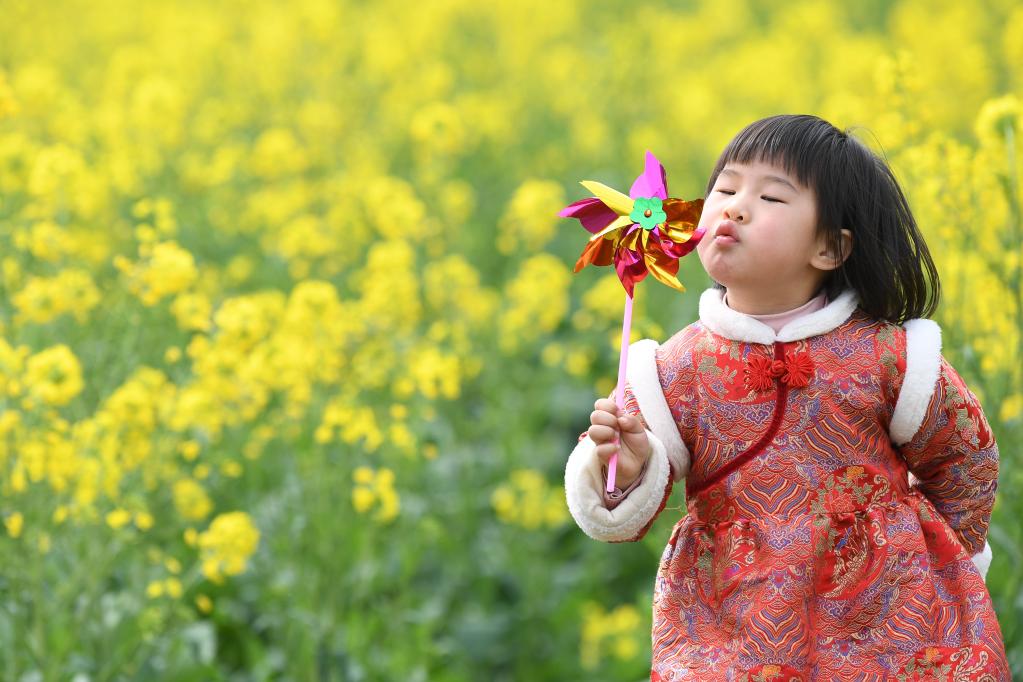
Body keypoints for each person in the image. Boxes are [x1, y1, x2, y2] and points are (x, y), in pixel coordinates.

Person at [563, 114, 1010, 680]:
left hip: (889, 619)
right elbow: (624, 517)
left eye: (770, 197)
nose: (735, 208)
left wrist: (948, 565)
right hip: (735, 624)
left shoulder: (890, 355)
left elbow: (965, 456)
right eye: (725, 189)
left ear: (830, 248)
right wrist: (625, 468)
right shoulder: (670, 369)